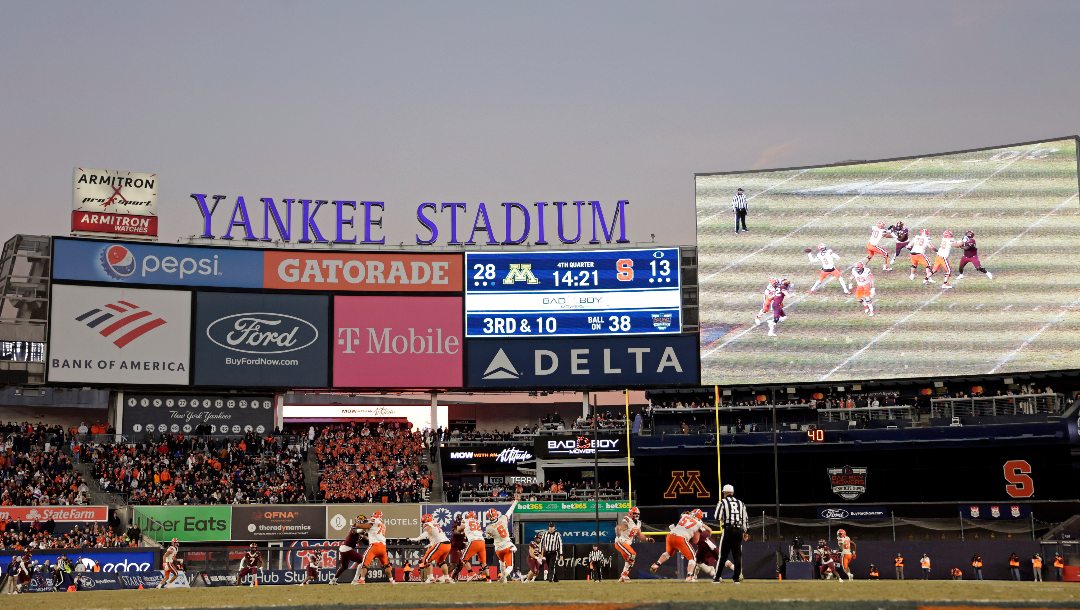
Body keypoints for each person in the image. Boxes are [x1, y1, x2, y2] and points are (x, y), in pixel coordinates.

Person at [651, 508, 710, 582]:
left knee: (668, 553)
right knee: (693, 558)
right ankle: (689, 576)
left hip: (670, 535)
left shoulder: (684, 515)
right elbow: (695, 541)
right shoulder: (699, 523)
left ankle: (656, 564)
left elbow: (683, 519)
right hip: (681, 538)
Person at [713, 484, 748, 584]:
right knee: (737, 556)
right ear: (732, 493)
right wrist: (745, 531)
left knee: (722, 555)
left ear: (724, 493)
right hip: (739, 530)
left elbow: (717, 516)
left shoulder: (722, 502)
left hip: (728, 530)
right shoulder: (741, 503)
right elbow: (745, 519)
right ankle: (736, 578)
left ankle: (717, 577)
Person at [412, 513, 452, 583]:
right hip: (448, 544)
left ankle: (430, 578)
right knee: (441, 562)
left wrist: (417, 538)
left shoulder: (427, 524)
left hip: (440, 544)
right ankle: (446, 578)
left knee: (426, 559)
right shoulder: (435, 523)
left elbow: (429, 531)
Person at [356, 511, 394, 584]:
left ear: (375, 515)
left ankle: (362, 579)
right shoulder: (383, 525)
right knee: (386, 565)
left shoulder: (374, 520)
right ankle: (392, 580)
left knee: (364, 563)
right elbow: (372, 532)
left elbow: (366, 526)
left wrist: (357, 524)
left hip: (375, 546)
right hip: (383, 547)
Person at [485, 501, 518, 583]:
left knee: (502, 562)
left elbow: (488, 537)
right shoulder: (503, 518)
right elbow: (510, 510)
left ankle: (504, 580)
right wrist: (516, 501)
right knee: (510, 567)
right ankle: (503, 576)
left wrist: (492, 534)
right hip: (507, 546)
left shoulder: (488, 527)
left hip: (498, 549)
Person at [614, 506, 650, 582]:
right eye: (635, 514)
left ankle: (623, 576)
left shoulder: (638, 523)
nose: (637, 515)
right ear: (630, 513)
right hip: (621, 542)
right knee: (633, 554)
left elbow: (640, 535)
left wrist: (647, 539)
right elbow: (621, 527)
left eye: (637, 514)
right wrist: (618, 529)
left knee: (630, 560)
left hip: (626, 544)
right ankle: (624, 575)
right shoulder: (627, 519)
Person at [331, 515, 368, 585]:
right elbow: (357, 531)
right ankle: (355, 580)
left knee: (344, 567)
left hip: (344, 549)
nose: (364, 524)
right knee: (362, 560)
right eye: (363, 522)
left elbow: (366, 539)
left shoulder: (359, 531)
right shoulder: (354, 527)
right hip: (346, 548)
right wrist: (366, 528)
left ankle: (333, 580)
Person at [454, 511, 487, 582]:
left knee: (463, 559)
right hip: (482, 541)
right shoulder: (477, 522)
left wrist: (457, 523)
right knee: (483, 562)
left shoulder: (466, 521)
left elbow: (458, 530)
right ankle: (488, 578)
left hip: (473, 542)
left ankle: (471, 573)